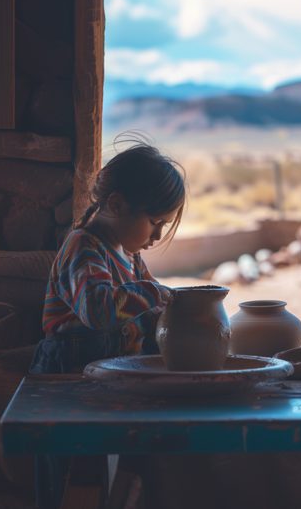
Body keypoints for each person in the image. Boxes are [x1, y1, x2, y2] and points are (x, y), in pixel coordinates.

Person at [31, 138, 185, 375]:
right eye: (155, 223)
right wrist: (157, 294)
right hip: (68, 379)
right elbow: (97, 311)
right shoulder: (83, 247)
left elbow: (153, 308)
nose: (157, 236)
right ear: (117, 205)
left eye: (164, 225)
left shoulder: (131, 258)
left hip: (114, 375)